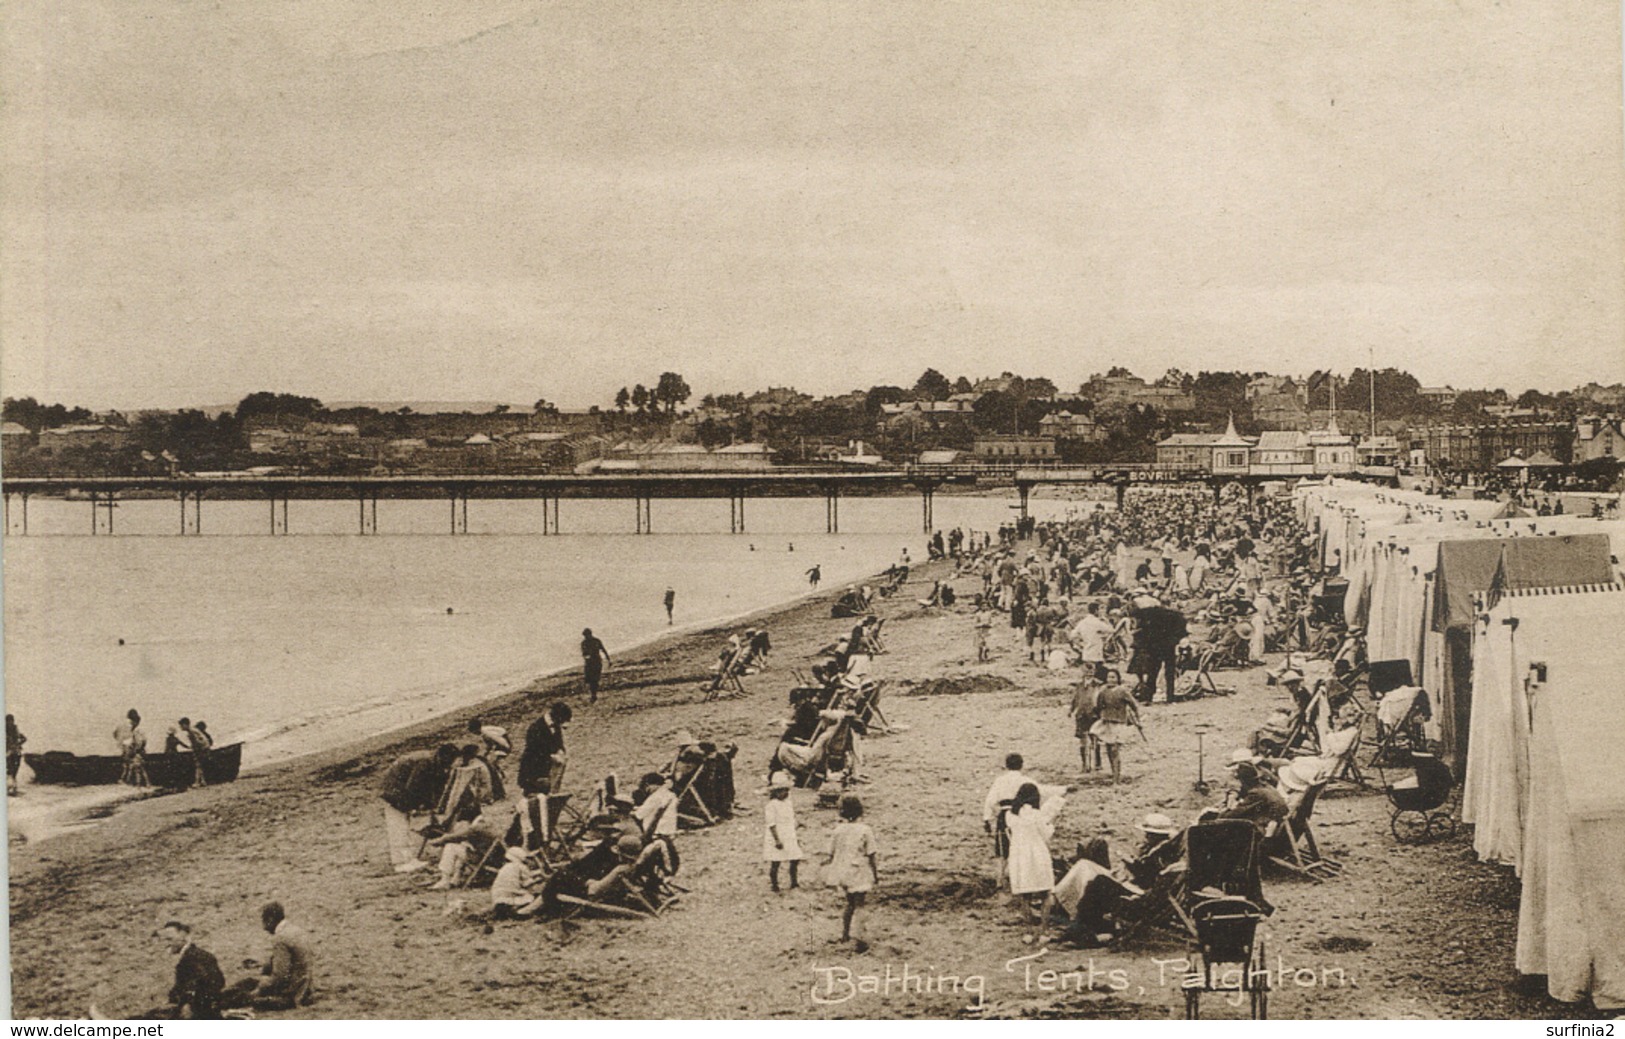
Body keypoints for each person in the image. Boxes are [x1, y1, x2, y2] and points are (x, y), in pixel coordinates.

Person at [378, 743, 458, 873]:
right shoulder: (424, 762)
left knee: (403, 827)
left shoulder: (432, 761)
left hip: (399, 790)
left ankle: (408, 858)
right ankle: (401, 862)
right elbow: (414, 786)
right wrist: (419, 806)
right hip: (394, 792)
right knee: (398, 827)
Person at [1005, 782, 1065, 945]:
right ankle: (1044, 931)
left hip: (1019, 855)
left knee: (1025, 895)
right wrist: (1053, 823)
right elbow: (1046, 834)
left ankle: (1028, 931)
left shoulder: (1010, 815)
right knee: (1045, 893)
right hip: (1037, 854)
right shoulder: (1037, 815)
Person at [226, 902, 316, 1010]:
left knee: (242, 997)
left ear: (270, 920)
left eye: (264, 921)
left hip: (291, 994)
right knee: (248, 982)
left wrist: (259, 989)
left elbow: (280, 976)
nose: (264, 927)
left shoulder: (280, 938)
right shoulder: (295, 930)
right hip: (305, 988)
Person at [823, 794, 878, 953]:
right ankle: (860, 938)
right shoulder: (865, 830)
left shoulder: (838, 830)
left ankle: (845, 934)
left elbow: (831, 854)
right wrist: (875, 873)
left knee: (849, 903)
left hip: (843, 871)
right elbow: (871, 854)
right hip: (858, 870)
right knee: (860, 904)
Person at [153, 921, 224, 1020]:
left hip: (200, 1013)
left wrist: (189, 1004)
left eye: (170, 939)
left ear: (183, 936)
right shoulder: (191, 955)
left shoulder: (195, 956)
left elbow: (211, 983)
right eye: (164, 940)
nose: (167, 944)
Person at [982, 753, 1032, 886]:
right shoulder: (1026, 781)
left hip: (1004, 816)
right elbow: (1040, 792)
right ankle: (1019, 878)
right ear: (1021, 765)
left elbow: (990, 800)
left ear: (1006, 765)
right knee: (1021, 845)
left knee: (1002, 849)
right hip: (1021, 815)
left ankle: (1000, 879)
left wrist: (987, 818)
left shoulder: (1000, 781)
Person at [1090, 670, 1140, 784]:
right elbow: (1098, 705)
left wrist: (1137, 719)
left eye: (1113, 677)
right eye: (1109, 677)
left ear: (1118, 678)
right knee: (1108, 749)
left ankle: (1117, 778)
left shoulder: (1122, 691)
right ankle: (1113, 774)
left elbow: (1134, 705)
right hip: (1107, 722)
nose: (1110, 680)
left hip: (1119, 723)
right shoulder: (1103, 691)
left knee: (1115, 749)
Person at [1131, 601, 1186, 703]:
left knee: (1153, 672)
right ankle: (1170, 696)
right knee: (1169, 673)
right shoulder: (1174, 615)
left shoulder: (1147, 616)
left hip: (1156, 648)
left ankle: (1149, 696)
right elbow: (1181, 632)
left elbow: (1144, 633)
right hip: (1168, 646)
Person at [1218, 761, 1289, 838]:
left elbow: (1232, 815)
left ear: (1244, 781)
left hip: (1266, 829)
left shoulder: (1256, 793)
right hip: (1276, 824)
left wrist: (1224, 811)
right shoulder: (1266, 786)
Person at [517, 702, 572, 796]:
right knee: (535, 796)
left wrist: (561, 751)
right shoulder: (535, 728)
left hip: (547, 768)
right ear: (557, 717)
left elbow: (559, 743)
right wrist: (552, 756)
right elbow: (535, 751)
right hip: (533, 769)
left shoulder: (555, 725)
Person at [764, 771, 803, 892]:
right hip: (778, 835)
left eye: (786, 790)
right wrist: (777, 839)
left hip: (789, 834)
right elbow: (771, 824)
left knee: (795, 858)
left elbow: (791, 818)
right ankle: (774, 884)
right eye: (781, 791)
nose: (784, 793)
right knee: (776, 860)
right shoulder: (771, 805)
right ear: (774, 792)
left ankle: (794, 881)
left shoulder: (788, 803)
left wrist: (797, 827)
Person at [1070, 602, 1113, 681]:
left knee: (1087, 676)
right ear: (1096, 611)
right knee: (1098, 677)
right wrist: (1105, 620)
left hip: (1086, 653)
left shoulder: (1082, 622)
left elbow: (1073, 635)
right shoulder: (1096, 622)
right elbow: (1111, 630)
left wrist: (1080, 645)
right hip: (1096, 653)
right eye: (1100, 609)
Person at [633, 772, 680, 839]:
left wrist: (632, 811)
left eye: (648, 786)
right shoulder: (672, 795)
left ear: (653, 785)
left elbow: (640, 814)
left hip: (655, 832)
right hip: (669, 830)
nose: (647, 789)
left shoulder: (655, 796)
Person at [1069, 675, 1101, 774]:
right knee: (1083, 740)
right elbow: (1075, 699)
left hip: (1093, 715)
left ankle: (1097, 763)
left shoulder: (1098, 685)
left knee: (1094, 739)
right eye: (1086, 672)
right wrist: (1071, 710)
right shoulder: (1079, 685)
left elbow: (1100, 699)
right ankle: (1085, 764)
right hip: (1081, 715)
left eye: (1091, 671)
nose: (1089, 674)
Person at [115, 709, 149, 787]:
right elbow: (142, 741)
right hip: (133, 749)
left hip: (131, 749)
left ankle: (128, 781)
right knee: (136, 768)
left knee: (131, 767)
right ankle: (143, 783)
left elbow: (115, 734)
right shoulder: (137, 729)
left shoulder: (133, 729)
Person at [579, 628, 612, 703]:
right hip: (590, 663)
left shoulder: (596, 641)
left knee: (595, 679)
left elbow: (603, 650)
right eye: (585, 635)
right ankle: (593, 694)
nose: (586, 637)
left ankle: (594, 694)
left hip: (596, 662)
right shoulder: (585, 643)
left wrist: (608, 659)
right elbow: (584, 653)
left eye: (587, 635)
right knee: (590, 680)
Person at [179, 717, 212, 787]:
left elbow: (197, 741)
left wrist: (196, 749)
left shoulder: (191, 732)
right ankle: (203, 781)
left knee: (198, 765)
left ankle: (197, 782)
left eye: (181, 725)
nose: (180, 727)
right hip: (204, 747)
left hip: (202, 749)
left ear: (185, 725)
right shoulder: (192, 730)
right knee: (200, 765)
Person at [7, 714, 25, 795]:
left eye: (11, 721)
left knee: (15, 768)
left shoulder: (15, 729)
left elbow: (24, 738)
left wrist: (18, 744)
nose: (10, 723)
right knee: (9, 768)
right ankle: (10, 785)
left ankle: (13, 784)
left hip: (15, 751)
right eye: (8, 721)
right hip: (8, 752)